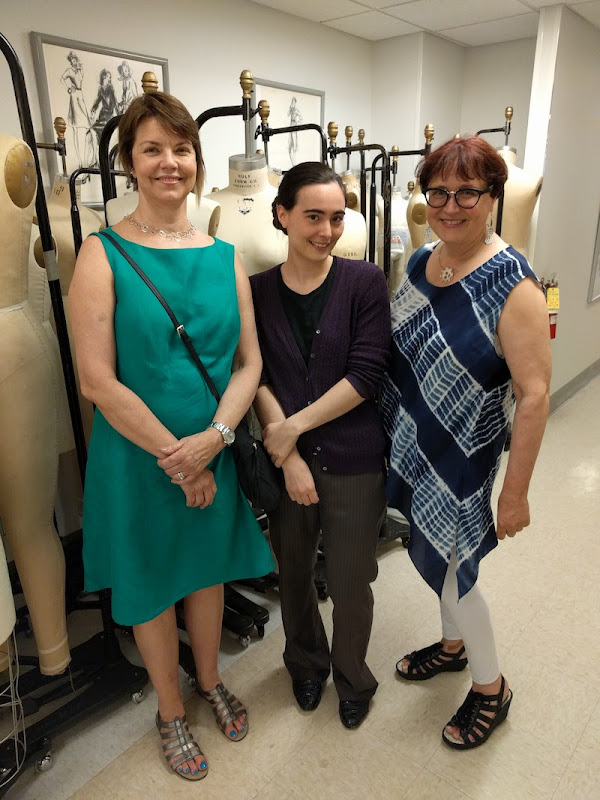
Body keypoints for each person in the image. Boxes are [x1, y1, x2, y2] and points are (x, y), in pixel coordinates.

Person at [69, 91, 274, 781]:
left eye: (181, 148)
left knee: (206, 573)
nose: (169, 163)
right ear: (129, 162)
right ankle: (169, 709)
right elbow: (97, 381)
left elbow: (249, 364)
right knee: (154, 581)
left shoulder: (225, 256)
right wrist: (181, 459)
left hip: (212, 447)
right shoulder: (101, 254)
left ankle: (209, 678)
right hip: (140, 459)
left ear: (196, 158)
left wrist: (214, 439)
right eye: (152, 149)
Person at [382, 136, 551, 749]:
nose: (450, 206)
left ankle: (490, 687)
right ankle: (452, 647)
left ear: (492, 197)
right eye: (439, 193)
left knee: (459, 571)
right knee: (436, 549)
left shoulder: (515, 285)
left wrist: (516, 493)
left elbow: (534, 395)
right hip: (421, 441)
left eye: (467, 193)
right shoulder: (422, 260)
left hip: (465, 456)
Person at [251, 162, 390, 730]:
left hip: (354, 458)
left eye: (336, 218)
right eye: (313, 216)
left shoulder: (364, 282)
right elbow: (253, 374)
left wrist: (291, 431)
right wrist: (286, 454)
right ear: (282, 215)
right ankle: (305, 664)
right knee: (294, 574)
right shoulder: (256, 291)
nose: (327, 231)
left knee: (352, 581)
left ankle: (353, 677)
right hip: (285, 464)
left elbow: (367, 372)